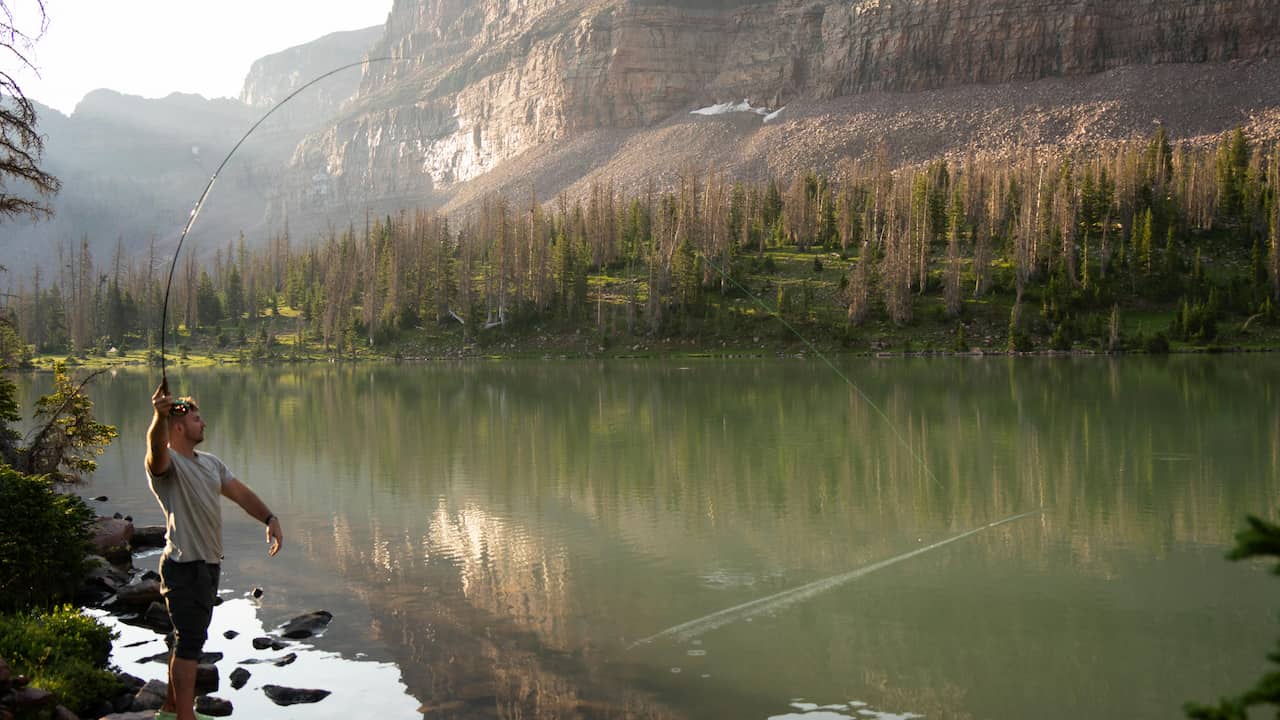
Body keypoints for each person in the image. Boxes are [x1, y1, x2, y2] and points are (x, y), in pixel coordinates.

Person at [146, 383, 284, 720]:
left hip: (208, 566)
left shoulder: (210, 463)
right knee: (191, 642)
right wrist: (157, 417)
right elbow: (155, 452)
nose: (204, 423)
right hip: (184, 565)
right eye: (196, 418)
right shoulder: (168, 465)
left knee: (185, 639)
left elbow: (240, 493)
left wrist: (269, 517)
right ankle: (185, 716)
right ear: (178, 427)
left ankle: (169, 707)